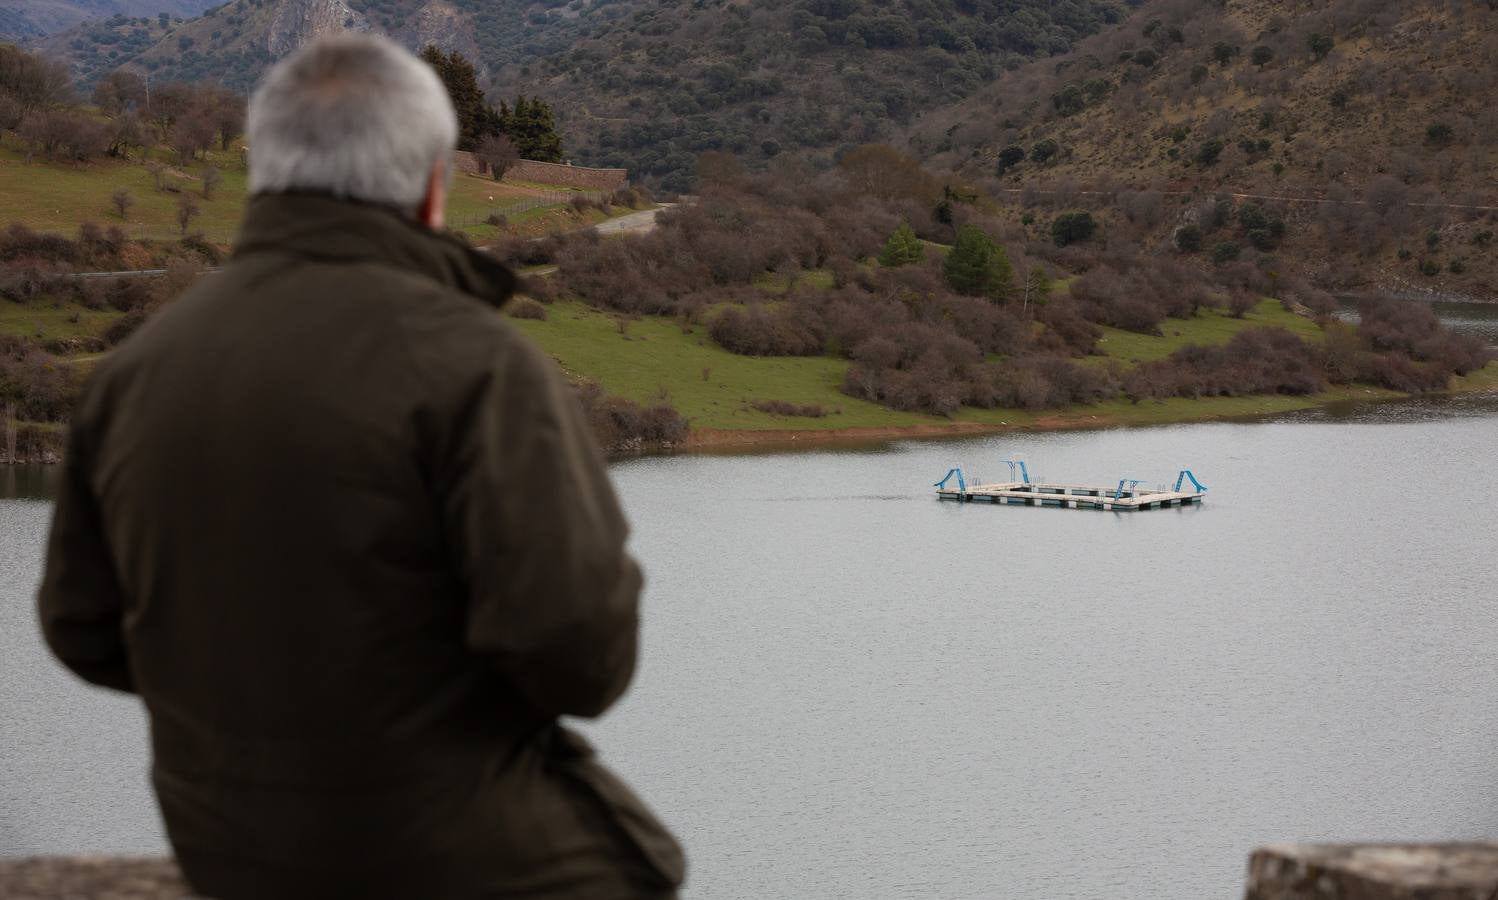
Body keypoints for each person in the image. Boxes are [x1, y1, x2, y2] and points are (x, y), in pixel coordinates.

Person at [36, 33, 684, 899]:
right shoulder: (475, 362)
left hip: (227, 847)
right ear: (430, 190)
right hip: (459, 855)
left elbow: (82, 627)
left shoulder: (133, 370)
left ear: (264, 173)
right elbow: (583, 654)